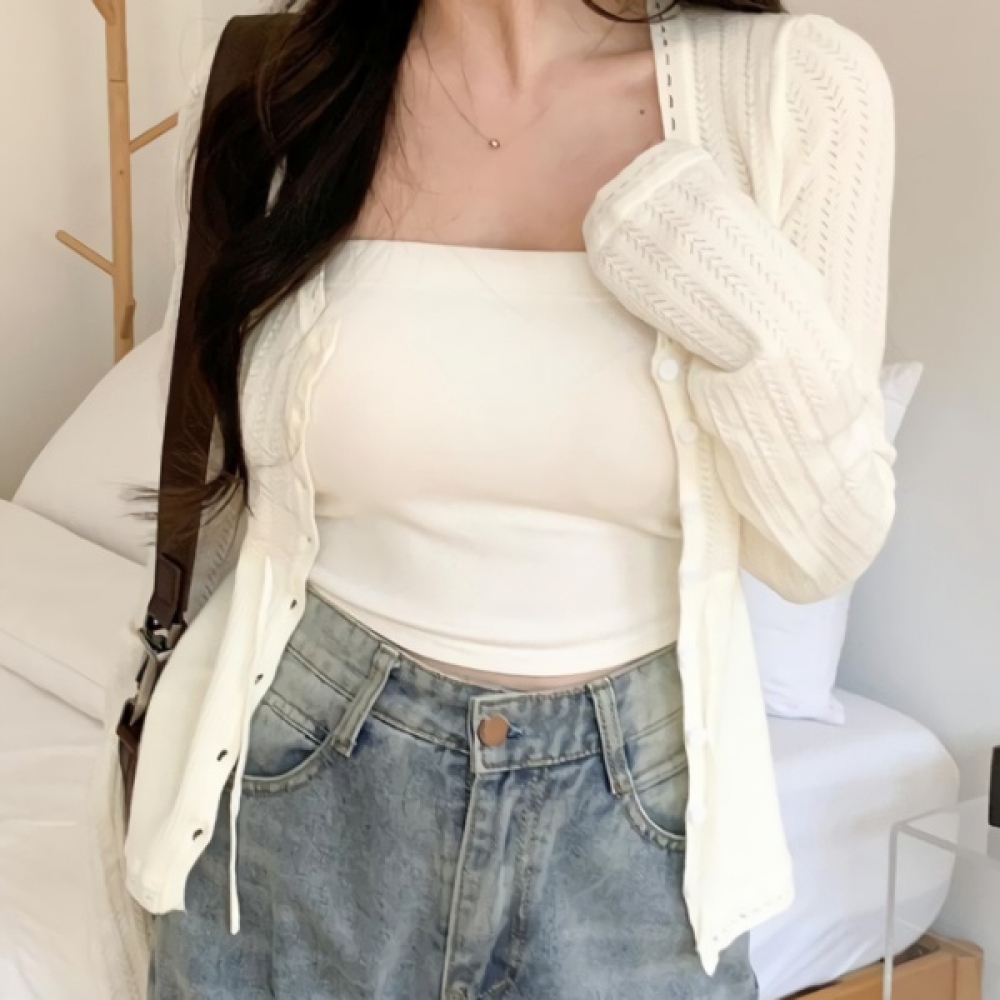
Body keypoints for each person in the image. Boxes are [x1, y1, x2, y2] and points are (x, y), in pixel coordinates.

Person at [89, 0, 899, 996]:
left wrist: (719, 278)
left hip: (636, 841)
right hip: (290, 795)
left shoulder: (798, 91)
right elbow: (227, 492)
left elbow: (821, 546)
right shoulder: (283, 86)